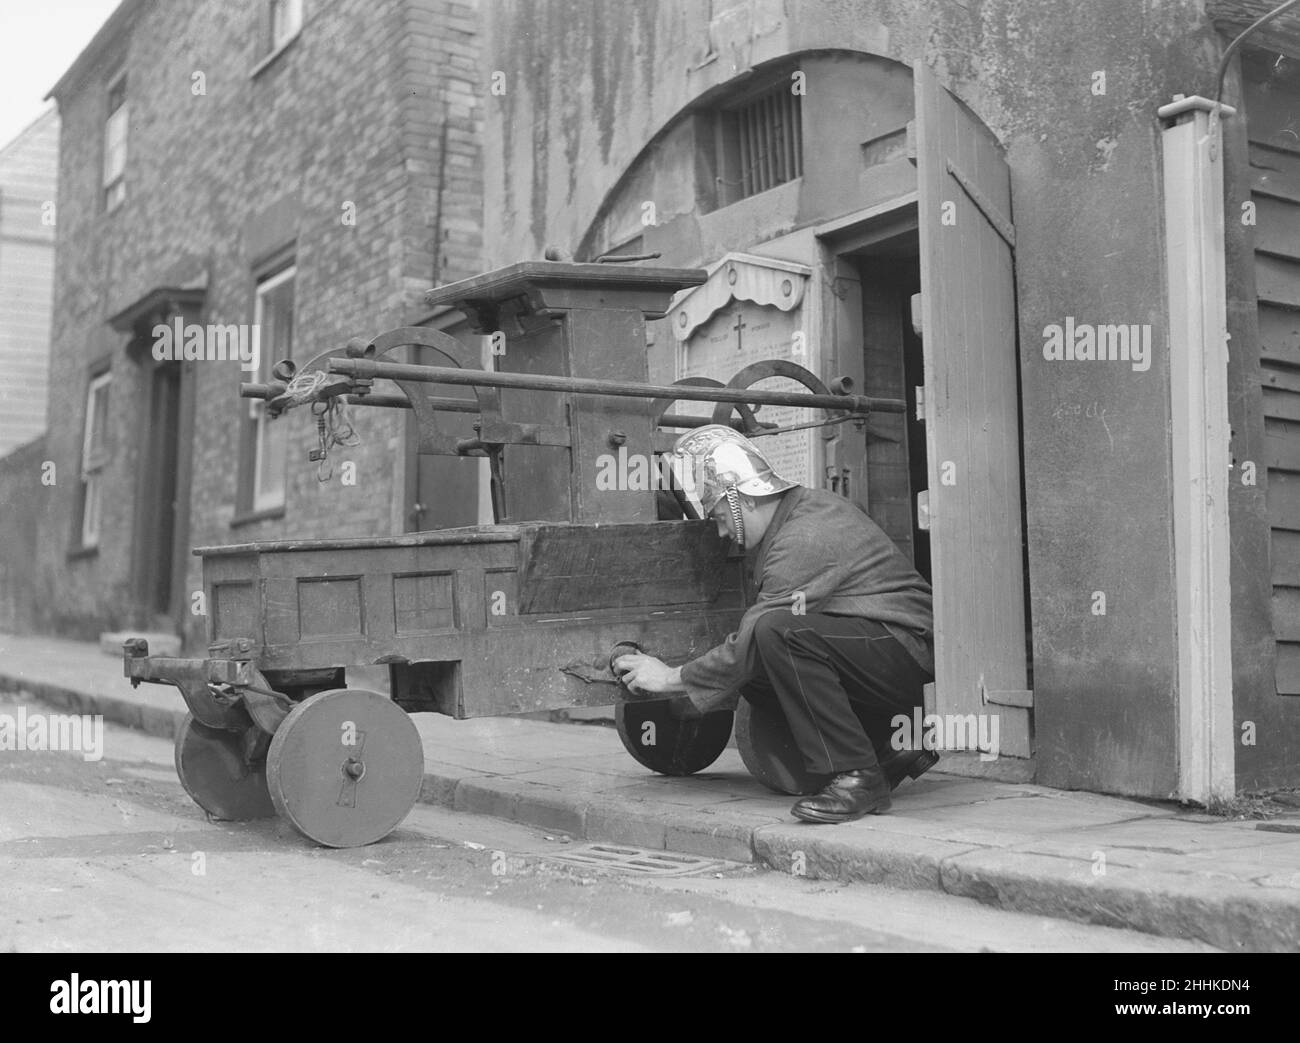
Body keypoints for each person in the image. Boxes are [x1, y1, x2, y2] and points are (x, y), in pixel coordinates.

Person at [613, 424, 937, 823]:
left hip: (904, 649)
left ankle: (857, 776)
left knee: (776, 634)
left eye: (717, 515)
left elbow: (755, 638)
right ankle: (888, 744)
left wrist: (670, 677)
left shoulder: (804, 535)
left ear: (742, 501)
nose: (718, 529)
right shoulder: (794, 515)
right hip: (874, 646)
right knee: (762, 657)